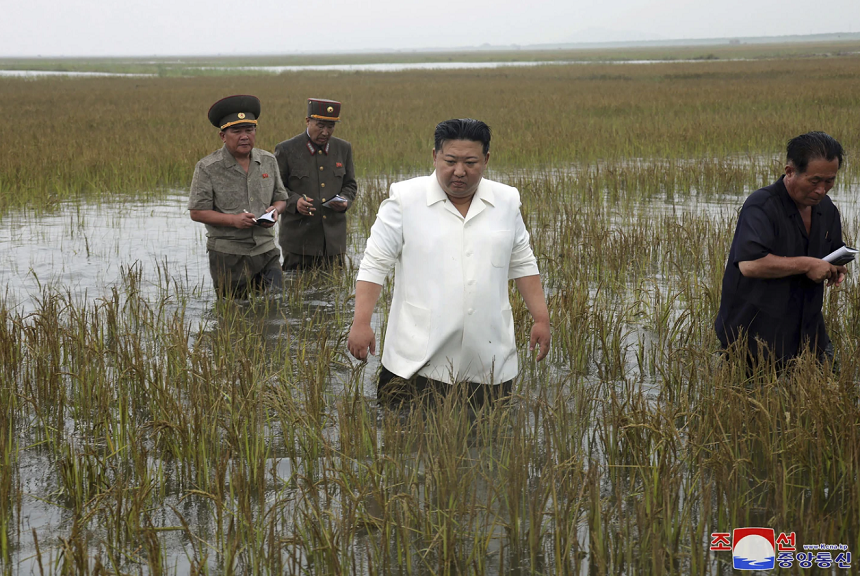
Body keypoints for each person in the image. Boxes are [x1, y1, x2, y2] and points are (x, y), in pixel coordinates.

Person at [347, 118, 551, 405]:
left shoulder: (506, 201)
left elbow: (523, 263)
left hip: (488, 360)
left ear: (486, 160)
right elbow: (375, 264)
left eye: (470, 162)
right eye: (450, 161)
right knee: (403, 430)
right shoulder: (405, 199)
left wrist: (541, 319)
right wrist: (361, 322)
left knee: (489, 430)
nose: (459, 171)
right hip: (415, 359)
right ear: (435, 156)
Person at [715, 131, 847, 365]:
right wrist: (807, 264)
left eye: (829, 181)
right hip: (754, 340)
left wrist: (836, 267)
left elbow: (831, 253)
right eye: (814, 181)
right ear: (790, 171)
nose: (821, 189)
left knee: (831, 379)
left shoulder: (827, 209)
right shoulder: (761, 206)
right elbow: (750, 264)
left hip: (808, 334)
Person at [188, 95, 287, 297]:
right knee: (234, 309)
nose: (244, 136)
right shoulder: (207, 167)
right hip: (229, 255)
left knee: (277, 304)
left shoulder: (268, 161)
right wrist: (233, 220)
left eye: (249, 130)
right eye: (236, 131)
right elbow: (197, 212)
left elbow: (281, 198)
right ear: (223, 136)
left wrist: (275, 210)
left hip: (266, 250)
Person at [274, 98, 358, 270]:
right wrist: (295, 202)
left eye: (330, 127)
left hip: (334, 242)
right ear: (307, 121)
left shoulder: (343, 148)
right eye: (320, 126)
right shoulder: (286, 149)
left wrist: (345, 200)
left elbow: (350, 185)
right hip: (298, 243)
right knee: (297, 286)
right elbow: (276, 188)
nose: (325, 132)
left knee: (335, 285)